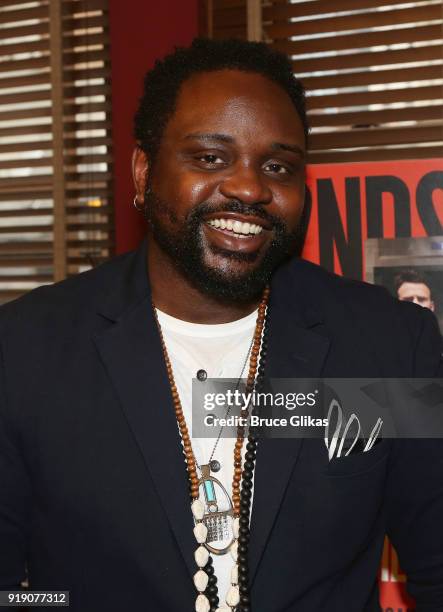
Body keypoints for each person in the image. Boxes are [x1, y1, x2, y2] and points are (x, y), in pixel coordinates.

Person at [0, 38, 442, 612]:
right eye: (210, 157)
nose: (250, 187)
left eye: (277, 166)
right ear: (143, 172)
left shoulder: (388, 344)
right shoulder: (26, 349)